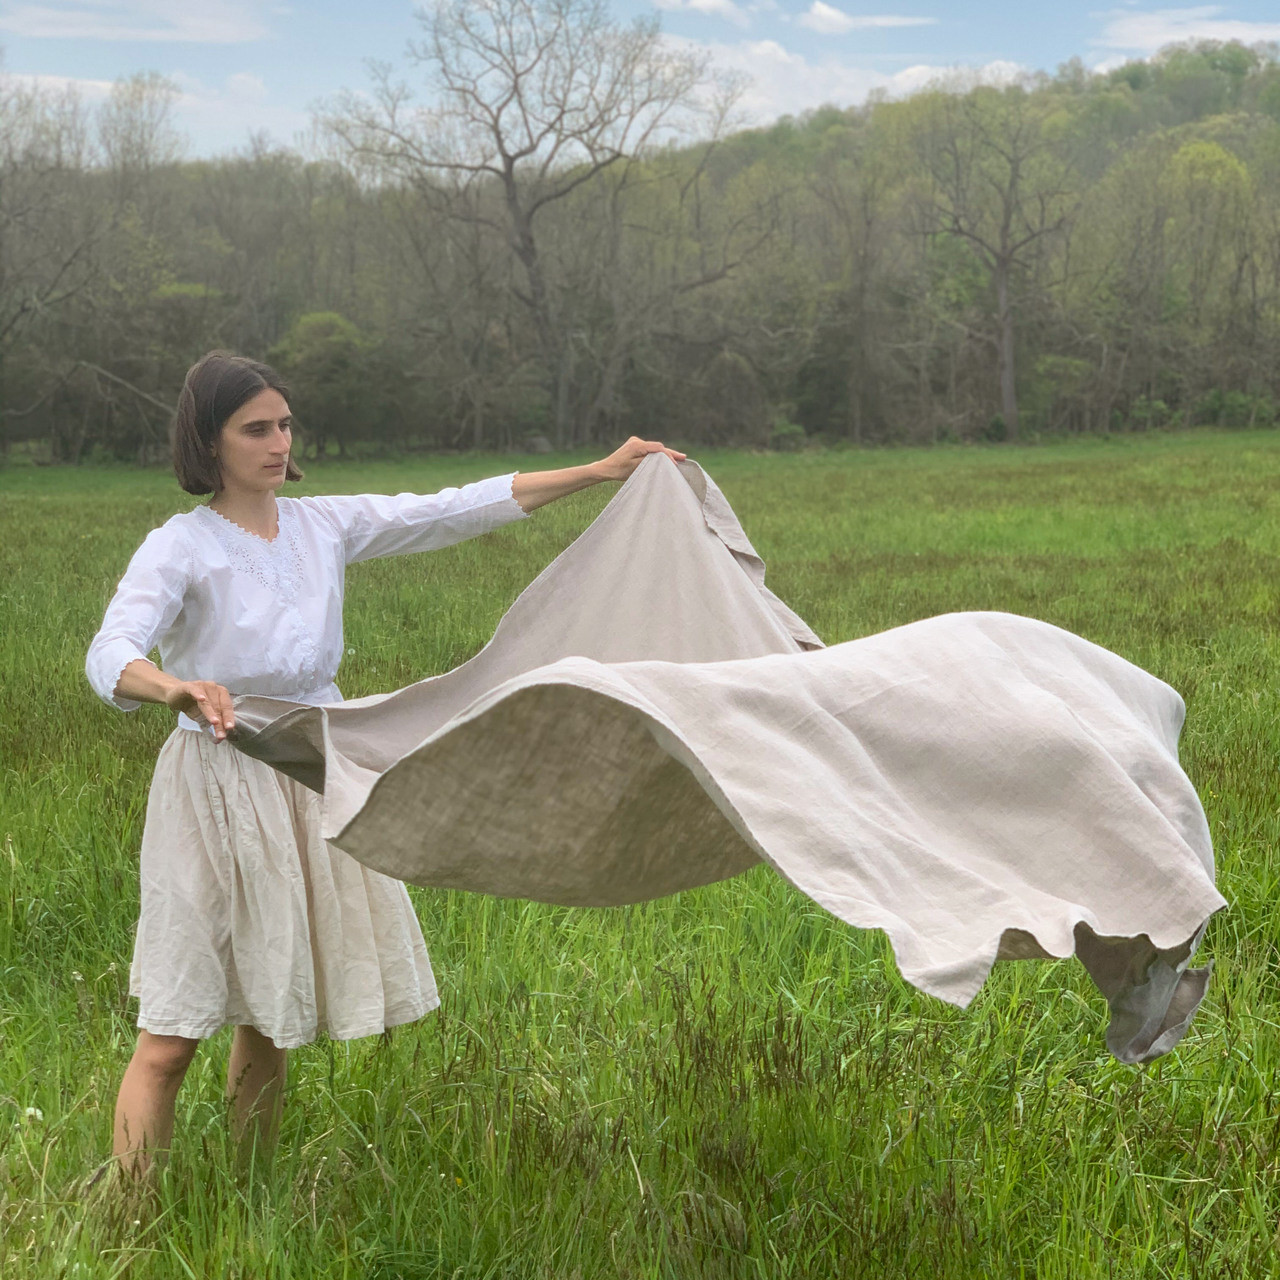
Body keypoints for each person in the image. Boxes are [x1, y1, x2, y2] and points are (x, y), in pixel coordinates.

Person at [85, 349, 684, 1178]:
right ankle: (128, 1222)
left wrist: (602, 471)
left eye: (284, 424)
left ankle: (247, 1200)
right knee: (171, 1036)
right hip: (215, 782)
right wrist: (174, 688)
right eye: (255, 428)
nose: (276, 442)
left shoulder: (321, 523)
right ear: (207, 441)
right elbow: (109, 650)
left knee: (271, 1016)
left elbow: (449, 509)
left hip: (309, 769)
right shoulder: (181, 545)